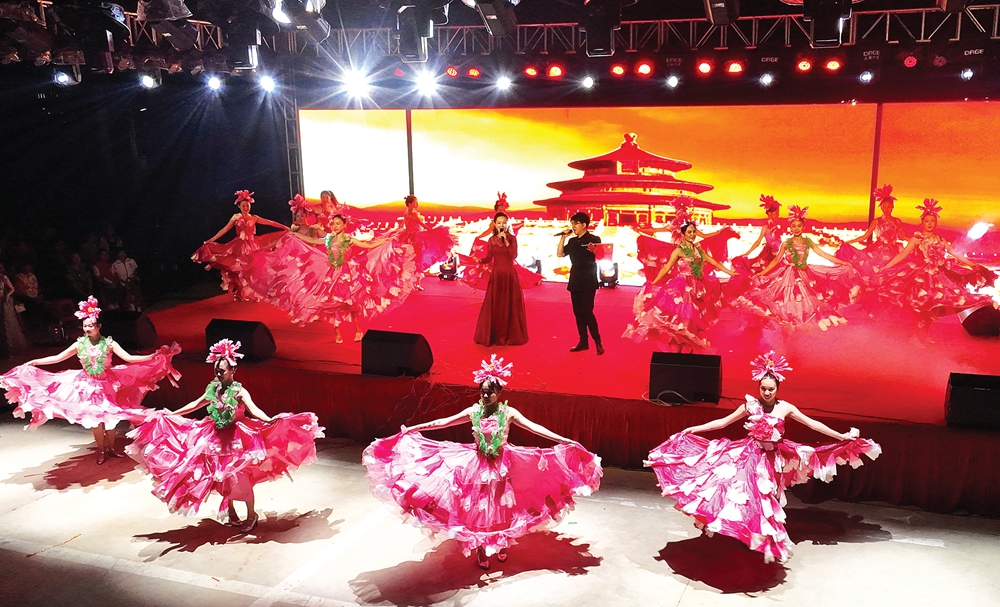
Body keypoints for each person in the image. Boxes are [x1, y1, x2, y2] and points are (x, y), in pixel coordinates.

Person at [363, 355, 602, 570]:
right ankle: (480, 548)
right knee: (478, 508)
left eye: (490, 392)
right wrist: (414, 428)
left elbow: (534, 427)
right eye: (482, 392)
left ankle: (501, 543)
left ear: (499, 393)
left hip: (502, 466)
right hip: (476, 465)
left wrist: (564, 440)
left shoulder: (508, 413)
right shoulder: (473, 411)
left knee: (502, 505)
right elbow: (444, 421)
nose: (485, 396)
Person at [645, 351, 881, 563]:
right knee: (741, 494)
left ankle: (758, 535)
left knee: (767, 499)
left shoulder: (786, 408)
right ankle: (745, 532)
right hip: (750, 455)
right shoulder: (749, 406)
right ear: (759, 387)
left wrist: (840, 436)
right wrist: (695, 428)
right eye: (763, 389)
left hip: (772, 458)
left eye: (771, 389)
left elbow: (813, 424)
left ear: (778, 389)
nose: (767, 392)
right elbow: (723, 422)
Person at [127, 339, 323, 533]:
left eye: (222, 371)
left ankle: (251, 514)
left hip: (238, 437)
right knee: (221, 477)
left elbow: (254, 410)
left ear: (232, 370)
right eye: (216, 371)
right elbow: (195, 404)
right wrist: (173, 413)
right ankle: (231, 511)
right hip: (215, 436)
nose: (218, 374)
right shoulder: (213, 388)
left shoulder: (239, 392)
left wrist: (269, 419)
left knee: (240, 477)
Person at [1, 297, 181, 464]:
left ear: (99, 326)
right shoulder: (79, 344)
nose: (87, 329)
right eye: (85, 326)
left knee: (110, 417)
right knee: (96, 420)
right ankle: (101, 450)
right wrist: (35, 361)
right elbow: (58, 358)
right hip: (86, 385)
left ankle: (111, 448)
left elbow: (129, 358)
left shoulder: (109, 344)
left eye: (90, 326)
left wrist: (152, 356)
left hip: (107, 384)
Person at [733, 205, 859, 331]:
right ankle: (790, 327)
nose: (796, 228)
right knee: (789, 300)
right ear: (790, 228)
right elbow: (776, 260)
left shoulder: (808, 242)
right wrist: (763, 273)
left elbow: (823, 254)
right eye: (794, 226)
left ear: (803, 227)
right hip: (789, 274)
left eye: (799, 226)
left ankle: (803, 328)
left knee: (808, 300)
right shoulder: (786, 243)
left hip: (805, 273)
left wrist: (843, 262)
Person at [875, 198, 995, 330]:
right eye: (927, 221)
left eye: (932, 221)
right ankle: (916, 332)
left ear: (936, 223)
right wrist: (886, 267)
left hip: (938, 276)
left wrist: (970, 264)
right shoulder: (916, 239)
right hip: (920, 277)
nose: (929, 224)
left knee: (935, 305)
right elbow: (902, 254)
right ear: (922, 222)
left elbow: (953, 252)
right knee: (921, 304)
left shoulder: (940, 239)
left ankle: (923, 332)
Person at [624, 221, 737, 352]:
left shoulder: (698, 250)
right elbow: (666, 267)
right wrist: (655, 281)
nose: (692, 234)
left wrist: (730, 272)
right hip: (682, 284)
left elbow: (715, 262)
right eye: (689, 232)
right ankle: (677, 342)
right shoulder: (678, 250)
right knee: (678, 313)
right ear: (683, 234)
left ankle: (689, 343)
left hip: (697, 286)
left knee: (694, 316)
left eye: (694, 232)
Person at [191, 190, 289, 301]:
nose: (245, 208)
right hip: (239, 246)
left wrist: (284, 227)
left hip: (253, 246)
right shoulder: (236, 217)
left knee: (253, 270)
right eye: (243, 206)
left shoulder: (254, 217)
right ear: (239, 206)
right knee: (240, 269)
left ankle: (251, 294)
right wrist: (211, 239)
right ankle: (240, 293)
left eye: (247, 205)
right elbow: (224, 229)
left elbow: (270, 222)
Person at [473, 212, 529, 346]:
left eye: (504, 223)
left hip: (509, 274)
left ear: (507, 224)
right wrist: (479, 260)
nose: (501, 225)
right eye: (499, 223)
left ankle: (509, 335)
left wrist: (507, 242)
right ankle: (494, 335)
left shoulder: (512, 239)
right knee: (496, 303)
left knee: (510, 303)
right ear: (495, 224)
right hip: (497, 274)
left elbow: (514, 255)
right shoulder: (491, 240)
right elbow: (489, 258)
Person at [557, 212, 604, 354]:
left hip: (588, 279)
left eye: (575, 223)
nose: (573, 226)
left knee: (587, 312)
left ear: (584, 225)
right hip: (575, 278)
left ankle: (598, 341)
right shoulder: (572, 241)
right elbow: (560, 254)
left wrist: (595, 251)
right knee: (577, 313)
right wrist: (563, 238)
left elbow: (603, 256)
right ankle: (583, 341)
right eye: (572, 223)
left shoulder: (594, 239)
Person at [393, 194, 457, 291]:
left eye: (417, 202)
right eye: (415, 203)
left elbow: (404, 224)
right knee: (419, 260)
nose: (417, 204)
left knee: (413, 260)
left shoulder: (407, 213)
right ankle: (416, 283)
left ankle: (413, 283)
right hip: (416, 238)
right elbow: (421, 224)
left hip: (410, 237)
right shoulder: (412, 214)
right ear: (409, 204)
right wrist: (430, 230)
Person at [733, 195, 786, 275]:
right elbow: (758, 241)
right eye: (776, 213)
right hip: (769, 255)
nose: (778, 214)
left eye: (778, 212)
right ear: (769, 213)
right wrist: (747, 253)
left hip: (777, 254)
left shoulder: (774, 227)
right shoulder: (766, 227)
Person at [0, 263, 28, 355]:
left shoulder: (3, 278)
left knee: (5, 323)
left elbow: (12, 288)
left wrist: (7, 295)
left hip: (3, 301)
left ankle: (9, 347)